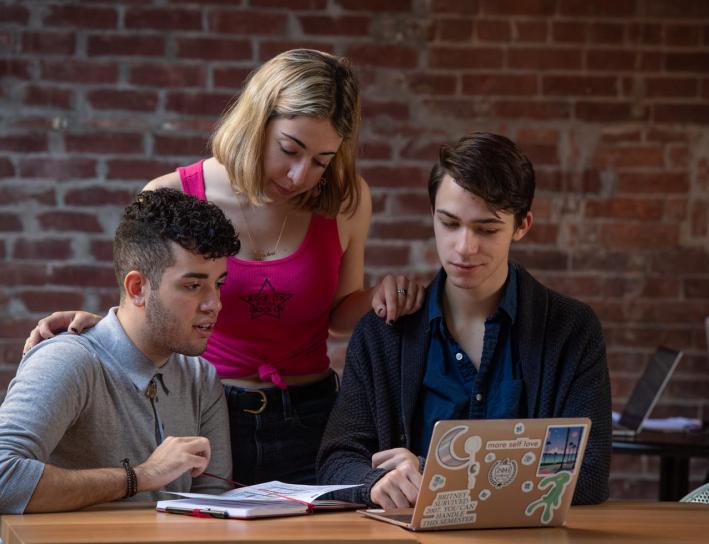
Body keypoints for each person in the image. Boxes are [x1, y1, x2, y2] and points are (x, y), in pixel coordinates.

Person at [22, 49, 425, 486]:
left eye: (321, 161)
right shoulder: (172, 192)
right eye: (289, 149)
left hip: (312, 413)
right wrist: (101, 332)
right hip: (203, 408)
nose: (298, 175)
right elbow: (151, 300)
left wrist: (382, 297)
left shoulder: (346, 199)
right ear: (256, 123)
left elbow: (341, 314)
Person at [317, 133, 612, 508]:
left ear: (522, 226)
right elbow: (336, 460)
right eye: (449, 223)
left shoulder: (571, 330)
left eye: (486, 229)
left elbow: (585, 475)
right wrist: (378, 482)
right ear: (433, 216)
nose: (464, 247)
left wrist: (431, 472)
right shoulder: (384, 331)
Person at [0, 189, 239, 513]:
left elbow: (214, 506)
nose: (215, 304)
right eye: (193, 286)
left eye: (219, 284)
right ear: (137, 288)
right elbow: (3, 477)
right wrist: (139, 477)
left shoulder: (200, 376)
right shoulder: (68, 361)